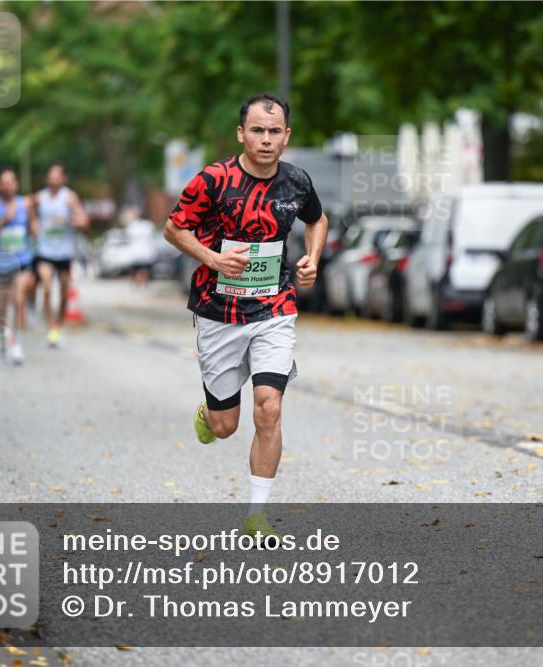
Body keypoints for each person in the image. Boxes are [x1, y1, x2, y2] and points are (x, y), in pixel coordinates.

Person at [163, 93, 328, 542]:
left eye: (275, 132)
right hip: (218, 311)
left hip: (274, 306)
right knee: (225, 426)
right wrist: (212, 259)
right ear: (241, 133)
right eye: (257, 130)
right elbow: (174, 228)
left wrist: (312, 258)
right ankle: (209, 410)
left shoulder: (297, 182)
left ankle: (256, 516)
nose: (266, 139)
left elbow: (318, 219)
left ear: (287, 137)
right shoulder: (213, 180)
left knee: (269, 408)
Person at [0, 167, 36, 364]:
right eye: (3, 183)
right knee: (1, 307)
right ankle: (4, 335)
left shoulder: (26, 204)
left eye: (10, 182)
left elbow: (34, 227)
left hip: (22, 261)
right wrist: (2, 221)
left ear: (16, 184)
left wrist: (37, 230)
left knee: (18, 300)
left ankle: (18, 343)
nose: (7, 186)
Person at [32, 164, 88, 347]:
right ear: (47, 179)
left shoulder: (69, 198)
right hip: (44, 251)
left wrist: (69, 220)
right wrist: (33, 224)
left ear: (64, 179)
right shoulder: (39, 198)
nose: (54, 180)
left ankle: (58, 325)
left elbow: (84, 221)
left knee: (64, 295)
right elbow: (28, 210)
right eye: (51, 176)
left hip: (64, 254)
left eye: (57, 177)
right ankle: (52, 327)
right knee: (47, 287)